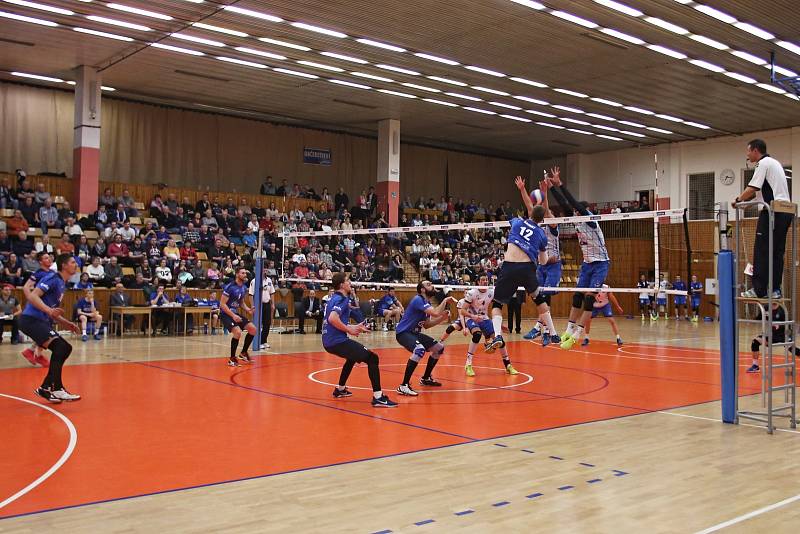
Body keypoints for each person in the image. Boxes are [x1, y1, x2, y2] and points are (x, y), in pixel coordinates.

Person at [485, 176, 559, 356]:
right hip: (527, 269)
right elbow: (542, 262)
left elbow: (529, 210)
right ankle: (554, 333)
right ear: (543, 220)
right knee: (539, 299)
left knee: (497, 303)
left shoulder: (517, 222)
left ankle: (497, 336)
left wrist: (521, 189)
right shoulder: (542, 234)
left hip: (509, 267)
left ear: (530, 214)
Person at [548, 169, 609, 350]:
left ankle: (576, 335)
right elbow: (565, 204)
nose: (573, 211)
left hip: (601, 264)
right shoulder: (576, 220)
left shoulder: (590, 219)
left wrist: (560, 184)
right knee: (577, 296)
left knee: (589, 299)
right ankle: (568, 330)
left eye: (576, 210)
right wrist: (551, 188)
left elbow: (572, 202)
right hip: (587, 263)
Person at [322, 273, 397, 407]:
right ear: (341, 285)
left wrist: (353, 326)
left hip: (330, 340)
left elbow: (335, 320)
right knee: (372, 358)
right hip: (336, 341)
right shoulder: (342, 299)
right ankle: (378, 397)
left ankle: (340, 389)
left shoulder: (334, 298)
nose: (350, 283)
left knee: (352, 358)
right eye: (347, 281)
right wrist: (349, 330)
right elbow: (332, 319)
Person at [19, 253, 81, 403]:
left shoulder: (61, 284)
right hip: (31, 319)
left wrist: (66, 323)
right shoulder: (53, 278)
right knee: (61, 347)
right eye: (72, 262)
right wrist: (48, 311)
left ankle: (50, 387)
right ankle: (52, 388)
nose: (75, 265)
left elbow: (52, 310)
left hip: (39, 321)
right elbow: (33, 296)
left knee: (64, 348)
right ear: (64, 265)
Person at [735, 139, 793, 299]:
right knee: (776, 252)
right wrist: (744, 205)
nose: (747, 155)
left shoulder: (763, 163)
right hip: (785, 212)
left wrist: (739, 199)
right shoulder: (775, 164)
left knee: (761, 250)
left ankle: (758, 289)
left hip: (772, 212)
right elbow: (759, 194)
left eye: (748, 151)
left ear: (755, 151)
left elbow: (753, 187)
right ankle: (775, 289)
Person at [394, 280, 454, 396]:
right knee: (419, 350)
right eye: (428, 284)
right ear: (422, 289)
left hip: (415, 333)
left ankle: (426, 378)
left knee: (439, 348)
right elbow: (436, 313)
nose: (432, 286)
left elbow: (426, 325)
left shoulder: (426, 304)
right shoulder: (418, 300)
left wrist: (443, 319)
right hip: (403, 333)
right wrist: (445, 300)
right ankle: (403, 386)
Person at [524, 176, 562, 345]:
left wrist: (545, 193)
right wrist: (522, 190)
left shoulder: (553, 227)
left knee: (546, 295)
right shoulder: (537, 226)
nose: (548, 214)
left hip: (553, 265)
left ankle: (540, 328)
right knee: (538, 295)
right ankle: (545, 330)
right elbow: (529, 207)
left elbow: (546, 212)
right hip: (541, 265)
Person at [220, 267, 257, 366]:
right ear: (237, 274)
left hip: (235, 314)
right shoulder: (230, 287)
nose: (245, 275)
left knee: (253, 329)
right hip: (226, 314)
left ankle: (243, 352)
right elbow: (222, 304)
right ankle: (232, 359)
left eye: (245, 273)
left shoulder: (244, 287)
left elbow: (241, 302)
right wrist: (233, 315)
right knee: (237, 332)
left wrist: (248, 309)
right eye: (243, 273)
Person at [748, 302, 800, 373]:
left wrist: (781, 326)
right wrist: (752, 321)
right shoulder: (766, 308)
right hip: (773, 334)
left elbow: (789, 324)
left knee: (792, 349)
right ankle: (755, 366)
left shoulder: (782, 310)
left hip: (784, 333)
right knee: (755, 342)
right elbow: (759, 317)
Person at [248, 269, 275, 349]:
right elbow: (250, 294)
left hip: (267, 304)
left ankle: (264, 341)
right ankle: (257, 342)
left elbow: (272, 292)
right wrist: (253, 306)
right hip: (258, 305)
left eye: (266, 270)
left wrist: (273, 304)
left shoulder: (269, 280)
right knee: (258, 324)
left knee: (267, 323)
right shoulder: (254, 281)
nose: (265, 271)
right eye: (263, 270)